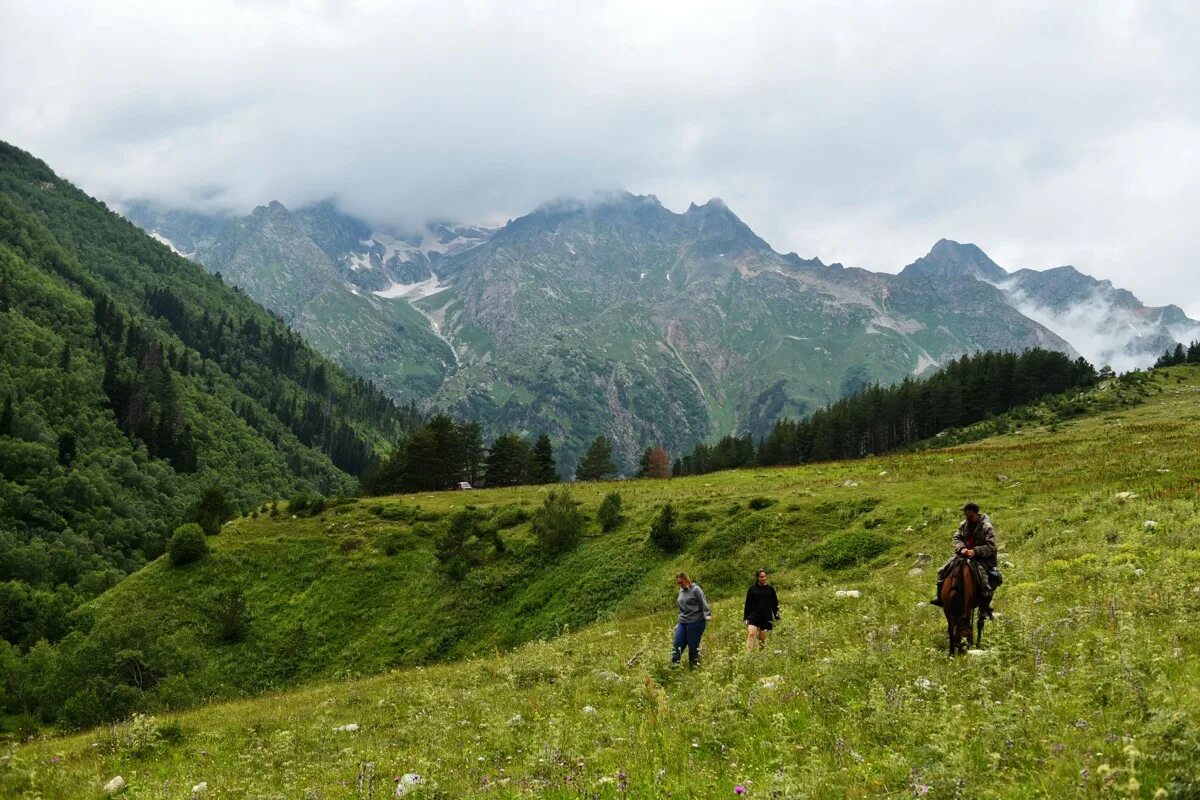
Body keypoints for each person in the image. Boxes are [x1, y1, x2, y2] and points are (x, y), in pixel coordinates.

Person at [931, 502, 1000, 619]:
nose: (964, 514)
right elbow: (956, 538)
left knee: (984, 581)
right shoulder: (964, 524)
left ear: (973, 511)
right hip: (963, 555)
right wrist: (962, 548)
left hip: (981, 558)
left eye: (966, 511)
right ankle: (940, 598)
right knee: (943, 571)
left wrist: (975, 551)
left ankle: (984, 609)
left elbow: (991, 546)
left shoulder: (986, 526)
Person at [671, 572, 712, 666]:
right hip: (683, 622)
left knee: (693, 647)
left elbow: (703, 602)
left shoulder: (696, 589)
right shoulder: (681, 591)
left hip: (695, 621)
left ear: (686, 580)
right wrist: (678, 623)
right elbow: (681, 609)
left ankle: (694, 668)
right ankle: (673, 667)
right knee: (677, 645)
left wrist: (707, 614)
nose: (680, 585)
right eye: (678, 583)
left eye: (681, 582)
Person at [742, 568, 780, 652]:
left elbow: (775, 604)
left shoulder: (770, 589)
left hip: (766, 617)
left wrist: (777, 617)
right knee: (751, 634)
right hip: (753, 617)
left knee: (762, 639)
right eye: (761, 577)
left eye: (764, 576)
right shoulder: (752, 589)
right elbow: (747, 604)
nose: (763, 578)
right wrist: (745, 618)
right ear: (757, 578)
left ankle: (761, 656)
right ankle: (748, 655)